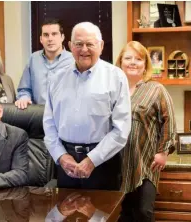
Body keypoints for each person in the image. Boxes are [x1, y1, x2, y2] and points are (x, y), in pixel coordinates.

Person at [43, 22, 131, 190]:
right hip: (65, 163)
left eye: (90, 44)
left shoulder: (116, 77)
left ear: (101, 46)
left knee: (101, 215)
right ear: (69, 46)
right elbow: (49, 124)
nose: (84, 49)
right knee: (66, 212)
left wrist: (92, 160)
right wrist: (61, 156)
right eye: (78, 44)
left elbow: (121, 129)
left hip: (102, 163)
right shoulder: (56, 78)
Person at [115, 41, 177, 222]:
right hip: (116, 164)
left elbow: (169, 121)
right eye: (128, 58)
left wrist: (163, 151)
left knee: (143, 212)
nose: (133, 62)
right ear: (120, 62)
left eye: (138, 59)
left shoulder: (156, 89)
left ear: (145, 65)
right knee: (121, 214)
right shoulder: (113, 89)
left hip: (146, 163)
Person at [15, 18, 73, 109]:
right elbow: (24, 89)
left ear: (62, 37)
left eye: (54, 34)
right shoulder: (33, 59)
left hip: (65, 115)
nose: (50, 39)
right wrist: (24, 97)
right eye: (46, 35)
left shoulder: (73, 61)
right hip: (38, 116)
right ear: (41, 39)